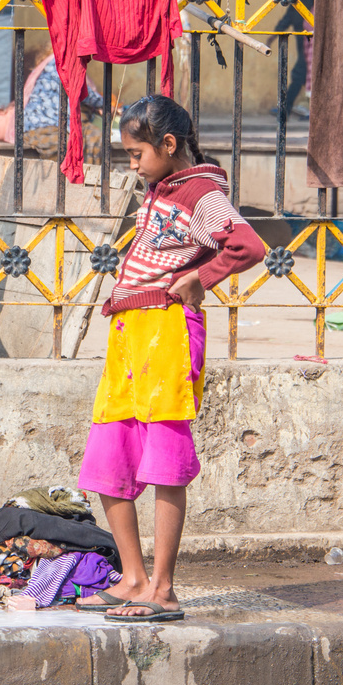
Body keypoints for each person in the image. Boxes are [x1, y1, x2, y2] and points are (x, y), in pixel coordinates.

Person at [78, 95, 262, 622]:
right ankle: (133, 577)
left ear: (168, 145)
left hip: (168, 329)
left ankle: (161, 588)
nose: (132, 165)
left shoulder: (201, 193)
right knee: (111, 451)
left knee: (164, 460)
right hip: (131, 330)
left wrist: (199, 280)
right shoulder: (164, 190)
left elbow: (247, 245)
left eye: (137, 154)